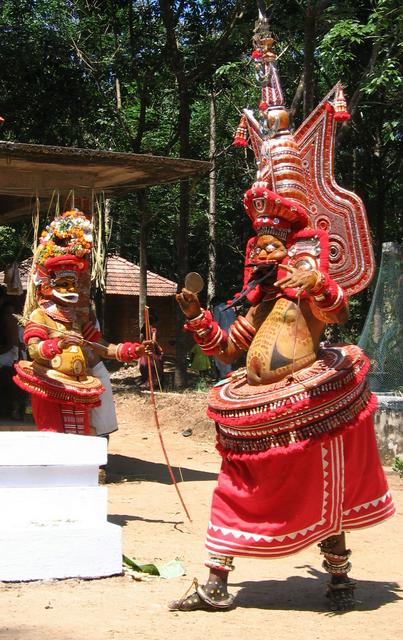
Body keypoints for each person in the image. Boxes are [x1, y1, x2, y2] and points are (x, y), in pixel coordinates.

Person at [169, 19, 394, 613]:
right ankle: (217, 581)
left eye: (273, 240)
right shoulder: (262, 295)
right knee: (235, 486)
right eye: (258, 242)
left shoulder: (305, 277)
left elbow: (335, 310)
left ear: (292, 239)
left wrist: (315, 280)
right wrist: (196, 317)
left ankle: (339, 577)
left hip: (309, 393)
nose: (264, 250)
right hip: (258, 398)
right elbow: (228, 346)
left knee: (326, 482)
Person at [14, 210, 152, 436]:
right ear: (50, 284)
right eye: (66, 284)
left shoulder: (77, 319)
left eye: (75, 284)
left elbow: (102, 347)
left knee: (81, 440)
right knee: (56, 442)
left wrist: (134, 350)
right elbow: (34, 350)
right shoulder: (41, 315)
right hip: (51, 387)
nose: (72, 289)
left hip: (78, 388)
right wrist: (58, 345)